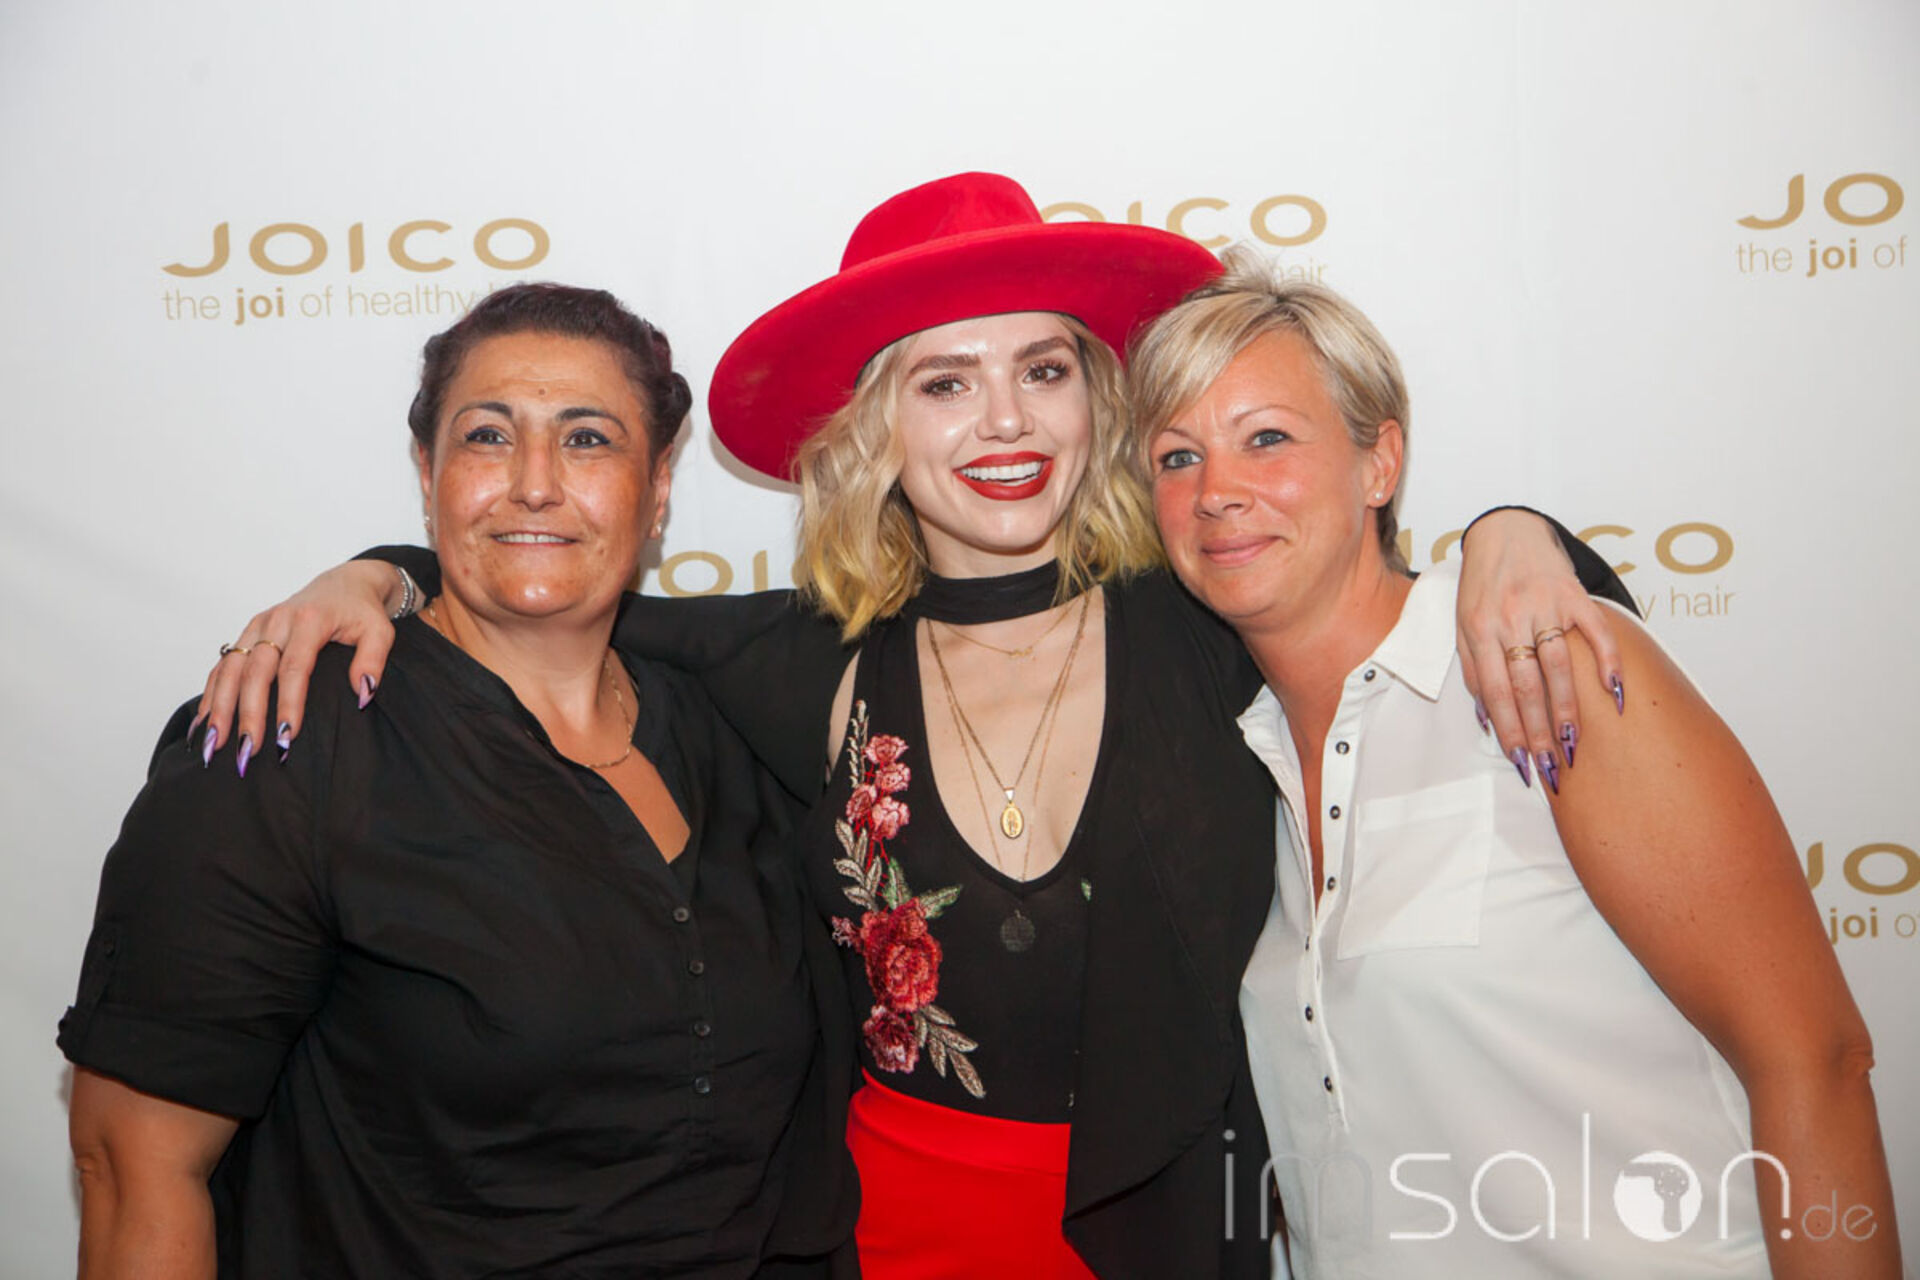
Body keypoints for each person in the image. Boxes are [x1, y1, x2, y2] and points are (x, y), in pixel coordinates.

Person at [191, 174, 1633, 1279]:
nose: (1004, 420)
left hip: (1180, 1231)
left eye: (1043, 369)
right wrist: (382, 574)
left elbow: (1395, 597)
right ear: (879, 427)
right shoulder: (797, 659)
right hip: (888, 1236)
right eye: (946, 382)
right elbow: (539, 586)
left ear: (1096, 401)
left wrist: (1518, 530)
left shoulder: (1208, 615)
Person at [1130, 249, 1903, 1278]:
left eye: (1266, 437)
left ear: (1379, 463)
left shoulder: (1542, 670)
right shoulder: (1230, 764)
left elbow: (1814, 1059)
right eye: (1177, 457)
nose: (1217, 491)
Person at [59, 285, 855, 1278]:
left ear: (657, 490)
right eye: (488, 436)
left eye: (588, 440)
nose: (534, 484)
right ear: (427, 473)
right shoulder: (289, 739)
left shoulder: (733, 724)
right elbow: (134, 1169)